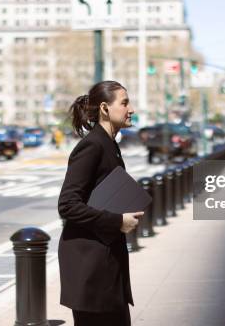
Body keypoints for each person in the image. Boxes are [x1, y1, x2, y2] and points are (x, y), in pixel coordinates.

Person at [58, 80, 143, 326]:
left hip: (105, 261)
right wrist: (118, 221)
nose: (131, 109)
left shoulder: (110, 144)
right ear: (105, 108)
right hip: (90, 266)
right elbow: (68, 205)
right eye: (125, 102)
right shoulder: (91, 146)